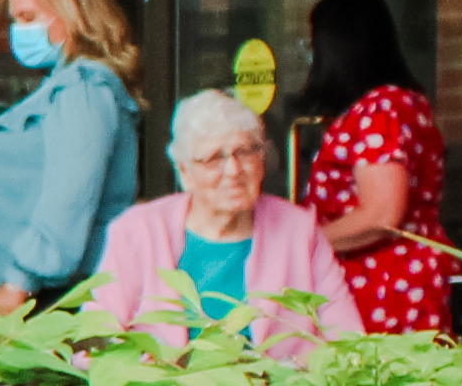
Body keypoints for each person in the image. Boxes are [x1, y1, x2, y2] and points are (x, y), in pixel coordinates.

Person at [94, 88, 367, 356]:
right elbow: (97, 337)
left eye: (245, 152)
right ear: (184, 171)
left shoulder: (299, 230)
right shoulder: (136, 232)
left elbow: (348, 338)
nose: (234, 170)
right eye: (214, 158)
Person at [0, 0, 147, 310]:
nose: (18, 30)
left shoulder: (83, 90)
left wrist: (18, 284)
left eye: (28, 17)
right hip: (38, 292)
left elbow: (68, 198)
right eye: (14, 19)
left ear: (71, 15)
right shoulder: (66, 87)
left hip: (51, 296)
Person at [292, 0, 453, 343]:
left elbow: (381, 215)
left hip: (382, 285)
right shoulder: (398, 104)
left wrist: (300, 241)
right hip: (394, 280)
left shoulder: (381, 109)